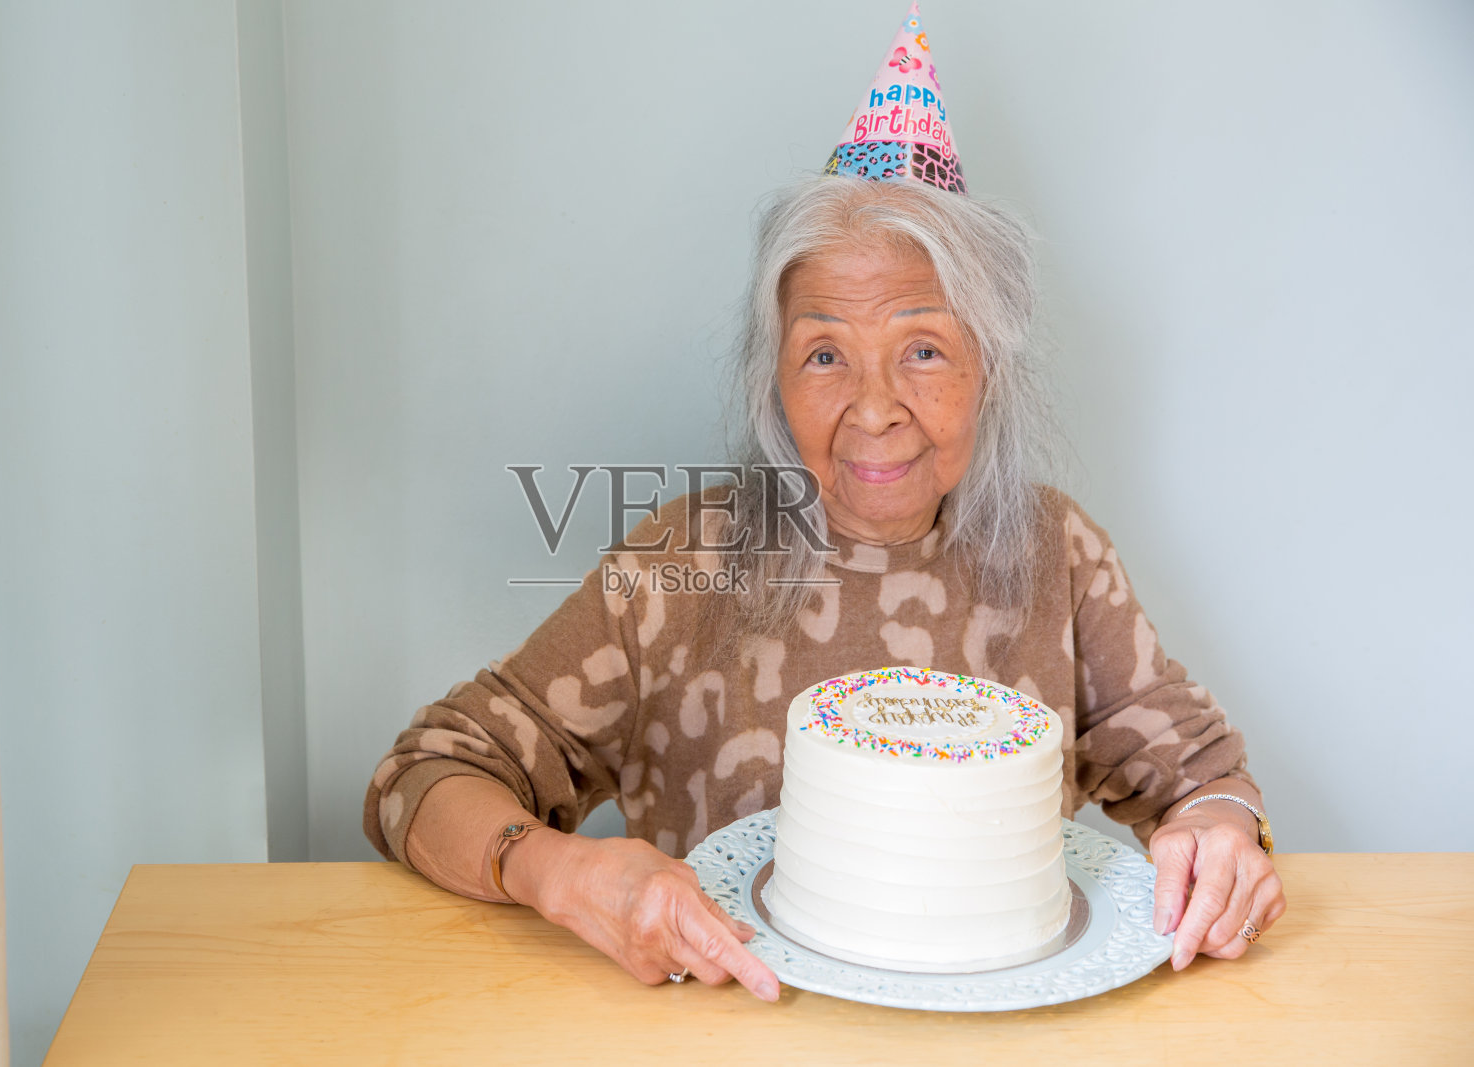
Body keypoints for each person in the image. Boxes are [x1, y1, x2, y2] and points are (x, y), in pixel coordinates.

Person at [364, 7, 1285, 1003]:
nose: (875, 407)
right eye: (824, 355)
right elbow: (420, 774)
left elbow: (1205, 774)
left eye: (923, 348)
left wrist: (1219, 828)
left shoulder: (1055, 551)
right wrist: (561, 872)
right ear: (774, 382)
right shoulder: (678, 568)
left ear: (988, 369)